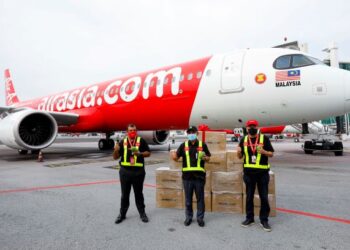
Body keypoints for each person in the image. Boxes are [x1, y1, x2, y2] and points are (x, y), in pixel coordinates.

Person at [237, 120, 274, 232]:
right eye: (250, 126)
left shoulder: (264, 139)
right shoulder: (243, 140)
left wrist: (264, 152)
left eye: (254, 126)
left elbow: (271, 154)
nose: (252, 128)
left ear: (257, 127)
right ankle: (250, 218)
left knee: (264, 197)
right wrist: (238, 152)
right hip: (249, 174)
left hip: (262, 174)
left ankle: (264, 220)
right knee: (249, 197)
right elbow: (240, 157)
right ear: (247, 128)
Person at [172, 126, 211, 227]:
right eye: (189, 132)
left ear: (197, 133)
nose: (191, 134)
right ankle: (188, 217)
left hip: (199, 177)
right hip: (187, 178)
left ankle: (200, 218)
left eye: (192, 132)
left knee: (200, 199)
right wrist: (174, 157)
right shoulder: (183, 145)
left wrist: (205, 157)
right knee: (188, 200)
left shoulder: (202, 145)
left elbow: (208, 158)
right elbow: (176, 158)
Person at [113, 124, 151, 224]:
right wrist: (116, 150)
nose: (132, 132)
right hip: (125, 172)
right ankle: (122, 214)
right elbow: (115, 157)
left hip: (138, 172)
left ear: (136, 131)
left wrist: (140, 154)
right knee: (124, 195)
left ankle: (142, 213)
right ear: (127, 132)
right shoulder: (123, 142)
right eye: (130, 130)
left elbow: (148, 153)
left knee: (139, 194)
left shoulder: (141, 141)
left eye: (134, 130)